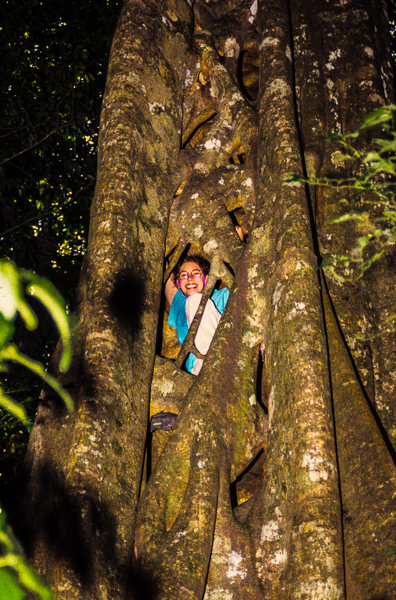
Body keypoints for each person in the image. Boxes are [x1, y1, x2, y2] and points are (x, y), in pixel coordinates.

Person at [165, 254, 229, 375]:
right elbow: (168, 278)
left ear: (207, 278)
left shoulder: (224, 295)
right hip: (197, 369)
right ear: (179, 283)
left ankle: (212, 359)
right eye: (184, 275)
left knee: (195, 300)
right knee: (193, 300)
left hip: (224, 356)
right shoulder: (181, 306)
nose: (189, 278)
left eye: (196, 273)